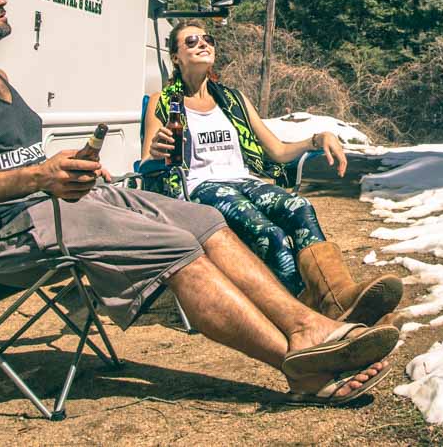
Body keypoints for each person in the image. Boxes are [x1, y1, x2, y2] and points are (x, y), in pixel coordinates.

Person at [0, 0, 396, 405]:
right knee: (175, 245)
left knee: (204, 220)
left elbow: (20, 159)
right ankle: (300, 367)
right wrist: (41, 176)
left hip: (53, 203)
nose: (1, 1)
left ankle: (308, 325)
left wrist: (70, 168)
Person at [142, 20, 402, 325]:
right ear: (175, 57)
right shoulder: (164, 102)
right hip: (199, 187)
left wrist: (317, 138)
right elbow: (146, 161)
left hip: (242, 181)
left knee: (299, 206)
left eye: (208, 39)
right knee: (269, 232)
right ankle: (308, 317)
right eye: (192, 41)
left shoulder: (233, 100)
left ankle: (338, 298)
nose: (203, 44)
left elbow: (276, 150)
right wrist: (158, 150)